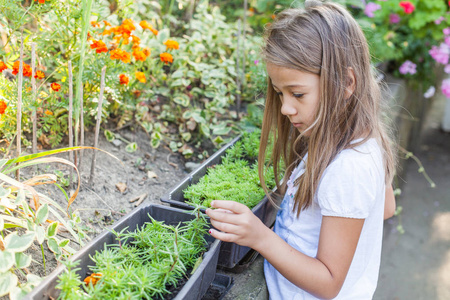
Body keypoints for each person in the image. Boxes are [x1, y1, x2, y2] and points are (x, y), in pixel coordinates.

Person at [205, 1, 397, 299]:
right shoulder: (361, 139)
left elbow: (329, 282)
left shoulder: (347, 168)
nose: (285, 107)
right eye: (280, 93)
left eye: (297, 93)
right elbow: (386, 208)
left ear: (346, 83)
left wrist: (260, 236)